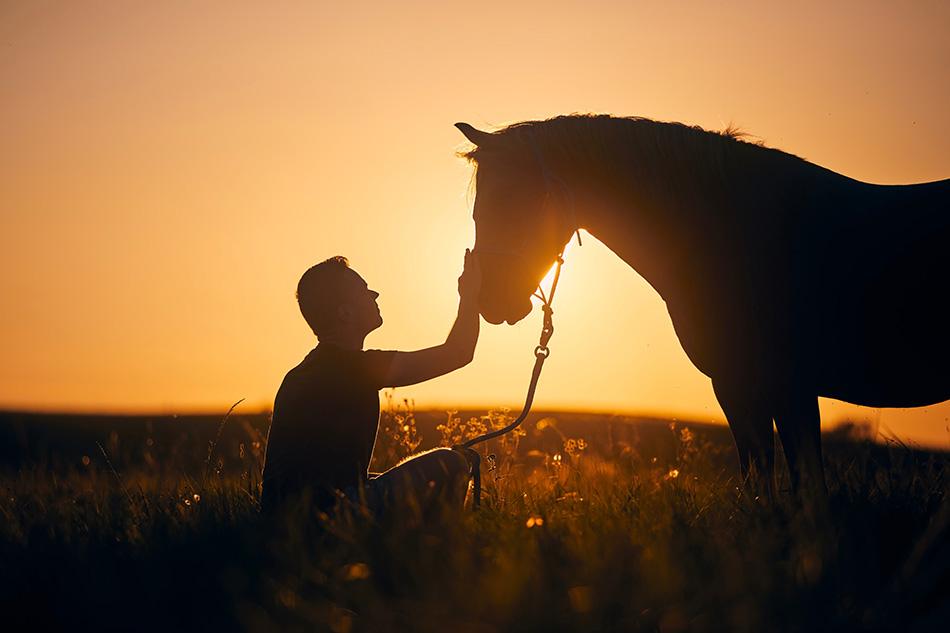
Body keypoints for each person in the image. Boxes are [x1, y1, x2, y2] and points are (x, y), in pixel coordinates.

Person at [261, 250, 481, 518]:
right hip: (328, 516)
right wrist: (470, 296)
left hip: (284, 520)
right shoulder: (356, 368)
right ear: (345, 313)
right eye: (364, 291)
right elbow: (458, 352)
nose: (374, 295)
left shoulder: (302, 374)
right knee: (451, 464)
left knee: (378, 479)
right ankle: (432, 549)